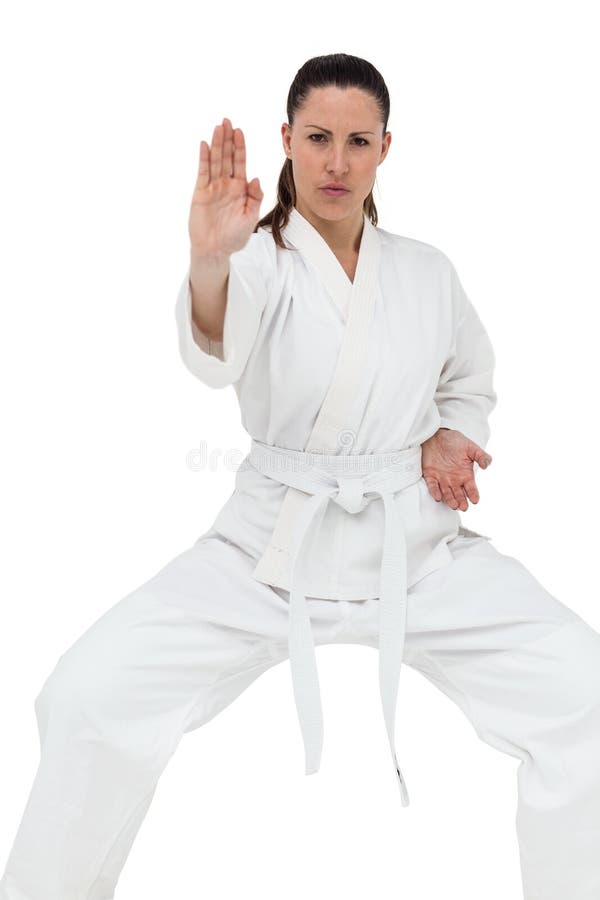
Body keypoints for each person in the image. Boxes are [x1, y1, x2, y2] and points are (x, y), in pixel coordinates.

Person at [1, 52, 599, 900]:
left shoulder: (427, 271)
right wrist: (208, 260)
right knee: (85, 696)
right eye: (317, 138)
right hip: (268, 552)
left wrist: (448, 437)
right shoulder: (257, 259)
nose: (336, 162)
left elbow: (469, 376)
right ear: (286, 140)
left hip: (416, 550)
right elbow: (216, 345)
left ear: (387, 148)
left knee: (585, 690)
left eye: (359, 141)